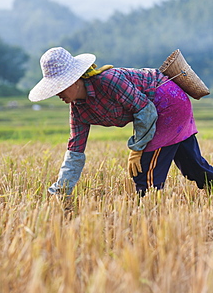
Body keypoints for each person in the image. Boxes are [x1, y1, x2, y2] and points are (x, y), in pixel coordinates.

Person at [29, 47, 213, 196]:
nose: (58, 93)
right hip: (161, 107)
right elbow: (75, 151)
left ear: (76, 80)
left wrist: (137, 149)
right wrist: (62, 189)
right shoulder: (78, 110)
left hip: (167, 103)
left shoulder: (109, 81)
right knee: (193, 166)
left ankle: (148, 219)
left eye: (60, 86)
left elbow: (145, 110)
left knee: (145, 175)